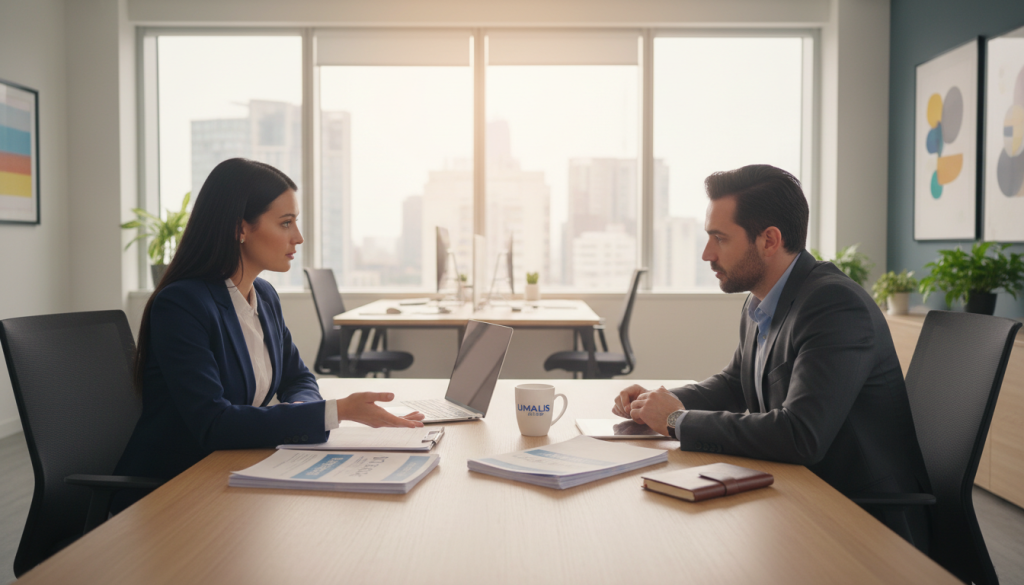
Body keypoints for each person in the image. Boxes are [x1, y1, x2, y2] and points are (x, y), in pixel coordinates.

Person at [613, 164, 929, 546]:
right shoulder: (760, 299)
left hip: (859, 518)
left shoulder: (833, 305)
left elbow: (800, 434)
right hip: (799, 491)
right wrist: (656, 405)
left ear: (769, 240)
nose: (706, 254)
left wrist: (677, 420)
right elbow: (735, 381)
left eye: (720, 238)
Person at [113, 158, 423, 512]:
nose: (298, 237)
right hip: (172, 492)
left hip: (231, 476)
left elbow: (298, 377)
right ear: (239, 228)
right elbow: (214, 424)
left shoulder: (264, 296)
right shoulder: (182, 305)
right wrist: (334, 412)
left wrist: (303, 409)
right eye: (286, 223)